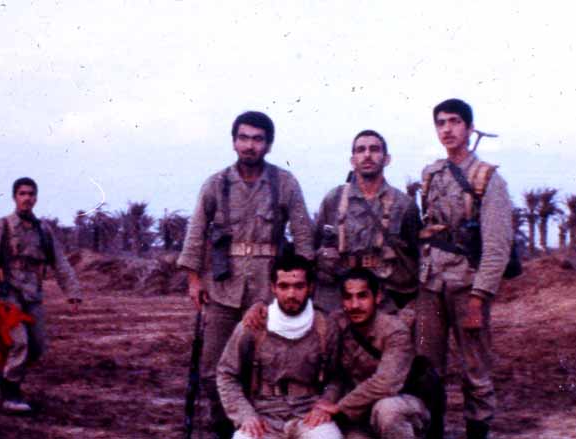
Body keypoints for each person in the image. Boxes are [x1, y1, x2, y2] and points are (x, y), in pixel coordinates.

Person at [177, 111, 315, 436]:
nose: (250, 145)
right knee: (213, 367)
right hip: (223, 291)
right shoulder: (216, 184)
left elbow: (304, 236)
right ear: (234, 142)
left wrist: (301, 284)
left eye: (257, 139)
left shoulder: (284, 183)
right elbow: (196, 232)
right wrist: (194, 280)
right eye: (243, 138)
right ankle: (224, 428)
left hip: (270, 293)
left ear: (268, 145)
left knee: (266, 365)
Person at [415, 99, 512, 438]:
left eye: (455, 122)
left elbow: (497, 246)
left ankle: (477, 430)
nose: (447, 129)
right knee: (427, 367)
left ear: (470, 129)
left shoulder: (488, 179)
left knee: (475, 370)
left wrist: (478, 297)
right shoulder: (431, 175)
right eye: (441, 123)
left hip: (468, 287)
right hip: (430, 284)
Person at [0, 177, 82, 413]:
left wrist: (73, 292)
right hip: (6, 295)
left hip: (33, 295)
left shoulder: (43, 230)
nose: (27, 198)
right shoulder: (3, 226)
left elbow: (60, 262)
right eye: (22, 193)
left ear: (36, 198)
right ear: (15, 197)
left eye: (31, 194)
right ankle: (11, 393)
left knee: (37, 346)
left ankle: (5, 374)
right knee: (19, 342)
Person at [216, 253, 342, 439]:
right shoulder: (253, 325)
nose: (291, 294)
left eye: (299, 286)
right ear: (273, 288)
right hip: (264, 415)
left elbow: (337, 377)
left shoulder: (325, 327)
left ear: (310, 287)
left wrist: (325, 404)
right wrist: (245, 415)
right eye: (284, 286)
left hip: (309, 414)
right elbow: (227, 374)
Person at [314, 130, 421, 316]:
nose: (367, 155)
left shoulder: (404, 205)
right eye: (360, 150)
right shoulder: (334, 199)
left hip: (386, 298)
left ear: (386, 159)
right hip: (338, 297)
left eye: (374, 149)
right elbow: (314, 244)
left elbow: (416, 256)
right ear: (352, 160)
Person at [314, 268, 430, 439]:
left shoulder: (394, 330)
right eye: (348, 297)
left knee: (388, 410)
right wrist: (325, 404)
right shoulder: (339, 324)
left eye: (362, 296)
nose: (355, 305)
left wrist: (340, 407)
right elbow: (337, 377)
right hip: (360, 410)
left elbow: (386, 383)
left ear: (377, 297)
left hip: (402, 402)